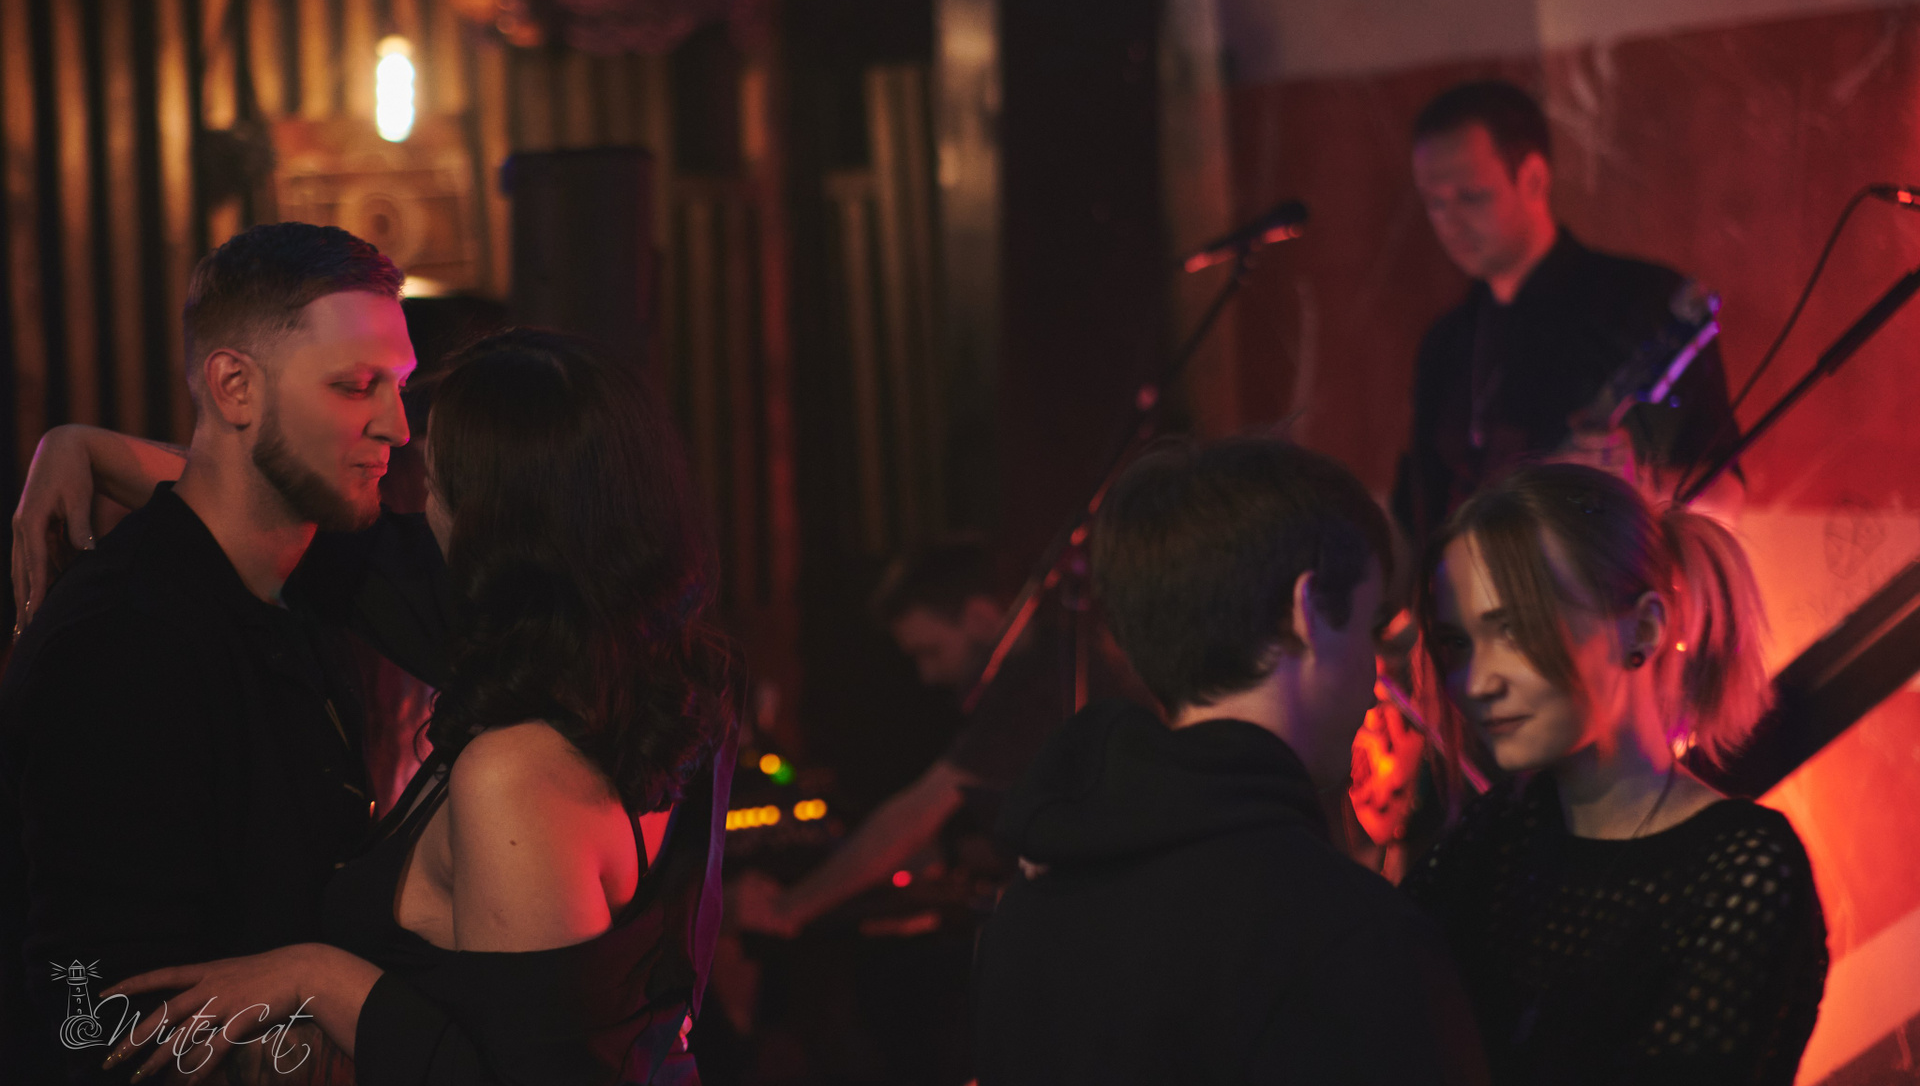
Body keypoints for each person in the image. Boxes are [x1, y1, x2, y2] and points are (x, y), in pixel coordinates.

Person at [96, 328, 740, 1083]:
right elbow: (285, 531)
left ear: (491, 525)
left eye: (432, 483)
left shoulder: (515, 773)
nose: (417, 504)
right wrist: (86, 451)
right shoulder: (671, 679)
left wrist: (315, 975)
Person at [0, 223, 448, 1082]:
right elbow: (99, 1024)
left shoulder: (298, 594)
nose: (396, 426)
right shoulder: (124, 645)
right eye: (356, 386)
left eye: (398, 386)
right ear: (234, 386)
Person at [972, 438, 1489, 1086]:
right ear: (1307, 613)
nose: (1375, 675)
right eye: (1369, 627)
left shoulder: (1022, 917)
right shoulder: (1348, 936)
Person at [1402, 462, 1826, 1086]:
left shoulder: (1740, 866)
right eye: (1457, 644)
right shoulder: (1493, 838)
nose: (1477, 682)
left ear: (1644, 628)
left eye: (1514, 630)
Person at [730, 539, 1144, 938]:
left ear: (980, 617)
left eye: (930, 652)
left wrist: (790, 907)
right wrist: (947, 853)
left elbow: (913, 817)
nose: (927, 675)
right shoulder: (1058, 658)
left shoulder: (1039, 688)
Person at [1392, 80, 1737, 551]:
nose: (1449, 222)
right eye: (1434, 201)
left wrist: (1642, 483)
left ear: (1534, 177)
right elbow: (1421, 516)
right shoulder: (1445, 341)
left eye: (1471, 195)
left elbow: (1727, 498)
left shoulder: (1639, 303)